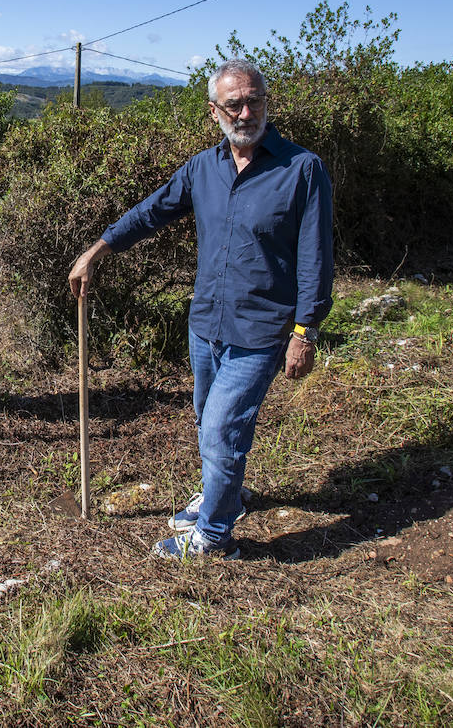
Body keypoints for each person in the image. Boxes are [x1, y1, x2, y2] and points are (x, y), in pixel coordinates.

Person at [68, 59, 333, 561]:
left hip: (262, 328)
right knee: (208, 419)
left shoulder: (302, 169)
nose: (246, 111)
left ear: (267, 102)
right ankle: (225, 495)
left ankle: (214, 537)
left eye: (254, 100)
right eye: (234, 104)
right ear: (214, 111)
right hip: (206, 323)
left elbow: (315, 258)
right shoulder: (202, 168)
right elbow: (152, 211)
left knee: (220, 428)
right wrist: (96, 251)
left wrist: (306, 331)